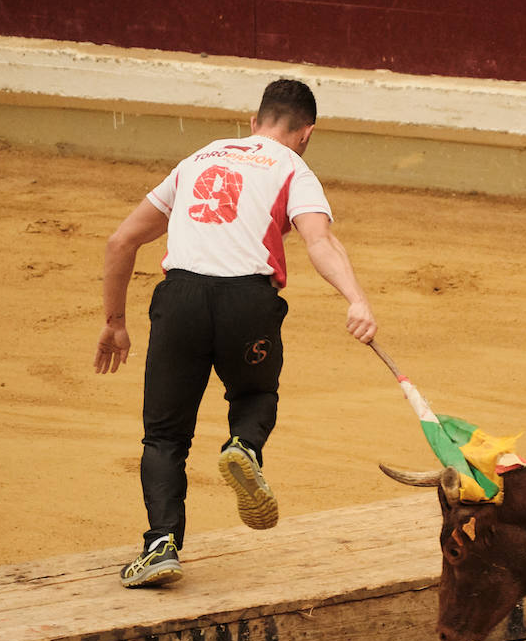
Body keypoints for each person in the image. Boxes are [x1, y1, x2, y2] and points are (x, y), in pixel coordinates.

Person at [94, 78, 377, 588]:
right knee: (255, 392)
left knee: (164, 435)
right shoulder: (294, 167)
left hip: (179, 300)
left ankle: (160, 545)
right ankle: (245, 446)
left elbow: (121, 242)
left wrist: (114, 321)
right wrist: (355, 298)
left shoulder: (198, 159)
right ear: (307, 133)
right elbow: (320, 241)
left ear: (253, 122)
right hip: (248, 302)